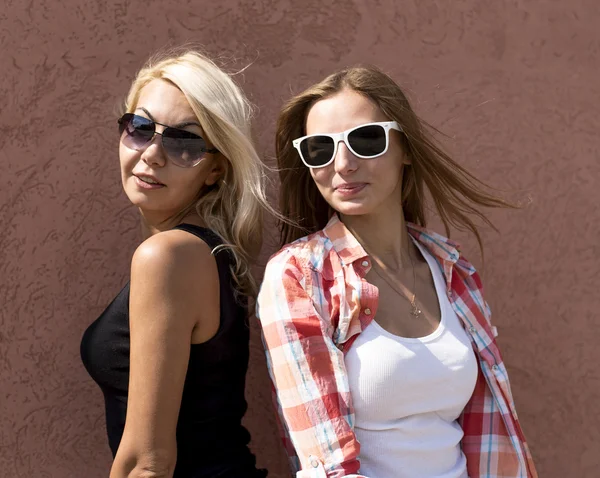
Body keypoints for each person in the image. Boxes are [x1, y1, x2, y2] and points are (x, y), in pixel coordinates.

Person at [257, 66, 538, 478]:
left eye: (365, 140)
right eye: (320, 148)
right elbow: (325, 462)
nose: (343, 164)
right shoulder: (300, 276)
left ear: (405, 147)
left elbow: (489, 432)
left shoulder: (452, 270)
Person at [80, 49, 269, 478]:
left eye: (185, 143)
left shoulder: (167, 257)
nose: (152, 154)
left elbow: (148, 463)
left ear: (215, 170)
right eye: (141, 128)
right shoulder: (203, 254)